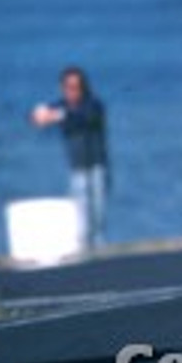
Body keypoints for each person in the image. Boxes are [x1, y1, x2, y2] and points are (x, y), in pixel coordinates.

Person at [30, 67, 109, 249]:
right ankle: (83, 254)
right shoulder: (61, 106)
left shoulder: (93, 105)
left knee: (97, 219)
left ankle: (100, 253)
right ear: (62, 88)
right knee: (80, 219)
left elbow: (84, 117)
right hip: (77, 170)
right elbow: (36, 117)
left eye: (76, 87)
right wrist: (38, 115)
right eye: (68, 87)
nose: (72, 91)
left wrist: (58, 116)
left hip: (97, 167)